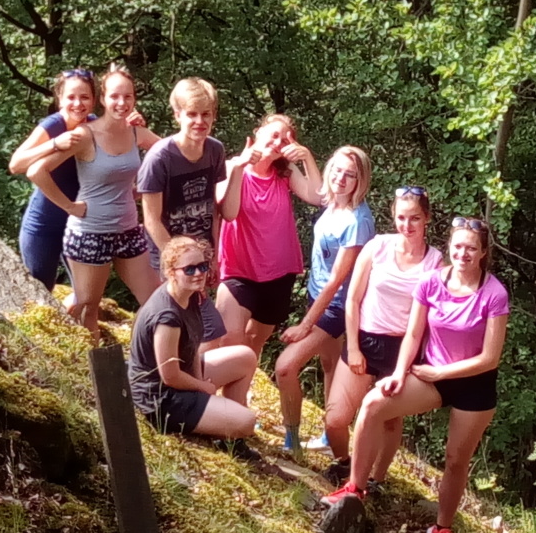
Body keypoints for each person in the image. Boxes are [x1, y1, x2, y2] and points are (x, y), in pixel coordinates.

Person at [320, 217, 510, 533]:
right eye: (458, 246)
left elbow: (489, 359)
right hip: (430, 376)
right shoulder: (431, 282)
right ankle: (354, 489)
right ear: (449, 247)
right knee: (373, 404)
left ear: (483, 252)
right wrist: (398, 372)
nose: (463, 253)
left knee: (455, 459)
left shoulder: (494, 294)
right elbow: (412, 334)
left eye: (471, 248)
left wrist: (440, 372)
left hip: (473, 385)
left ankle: (442, 527)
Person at [27, 67, 160, 343]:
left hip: (128, 230)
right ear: (103, 99)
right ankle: (89, 362)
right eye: (115, 96)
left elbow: (168, 154)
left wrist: (144, 188)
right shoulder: (85, 134)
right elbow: (35, 171)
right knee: (88, 306)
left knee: (155, 299)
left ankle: (141, 357)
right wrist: (69, 206)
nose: (121, 103)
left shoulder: (137, 132)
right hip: (90, 233)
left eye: (128, 96)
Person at [321, 186, 442, 485]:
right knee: (335, 419)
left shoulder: (435, 261)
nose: (407, 225)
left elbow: (432, 316)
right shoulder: (377, 246)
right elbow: (352, 299)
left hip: (402, 348)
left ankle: (376, 479)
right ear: (393, 216)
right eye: (401, 217)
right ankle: (345, 463)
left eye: (415, 218)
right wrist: (354, 347)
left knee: (388, 419)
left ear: (426, 218)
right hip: (364, 338)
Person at [275, 146, 374, 459]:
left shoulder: (358, 220)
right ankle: (330, 438)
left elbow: (337, 281)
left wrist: (305, 325)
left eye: (350, 175)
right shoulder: (333, 202)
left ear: (361, 181)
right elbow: (318, 189)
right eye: (337, 170)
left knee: (285, 367)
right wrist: (305, 156)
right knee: (329, 365)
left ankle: (291, 441)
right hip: (316, 296)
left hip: (336, 306)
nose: (341, 178)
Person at [9, 68, 145, 290]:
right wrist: (55, 143)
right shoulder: (54, 125)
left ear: (95, 100)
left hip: (82, 224)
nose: (78, 104)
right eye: (71, 97)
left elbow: (114, 158)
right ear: (60, 98)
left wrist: (130, 124)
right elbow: (16, 164)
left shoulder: (93, 125)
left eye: (84, 97)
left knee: (84, 293)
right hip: (45, 223)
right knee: (40, 290)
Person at [129, 236, 261, 460]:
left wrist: (199, 384)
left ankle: (230, 437)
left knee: (245, 357)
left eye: (202, 266)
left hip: (179, 379)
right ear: (171, 272)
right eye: (189, 269)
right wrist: (202, 387)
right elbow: (169, 376)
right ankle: (226, 425)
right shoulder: (166, 316)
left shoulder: (189, 295)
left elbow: (191, 349)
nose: (198, 273)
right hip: (159, 398)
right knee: (247, 421)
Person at [138, 77, 243, 352]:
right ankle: (172, 373)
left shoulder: (214, 150)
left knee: (196, 329)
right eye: (192, 114)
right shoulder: (159, 158)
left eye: (206, 114)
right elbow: (151, 219)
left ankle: (186, 374)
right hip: (170, 257)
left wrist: (212, 257)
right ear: (177, 115)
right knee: (201, 329)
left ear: (214, 115)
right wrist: (179, 264)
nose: (199, 121)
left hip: (201, 254)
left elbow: (212, 208)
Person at [216, 114, 323, 357]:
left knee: (255, 342)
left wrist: (307, 158)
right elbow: (229, 213)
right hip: (239, 270)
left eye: (284, 140)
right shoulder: (232, 167)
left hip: (279, 273)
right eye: (274, 135)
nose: (277, 143)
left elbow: (317, 197)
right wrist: (240, 168)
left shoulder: (284, 171)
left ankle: (243, 381)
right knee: (229, 338)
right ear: (258, 132)